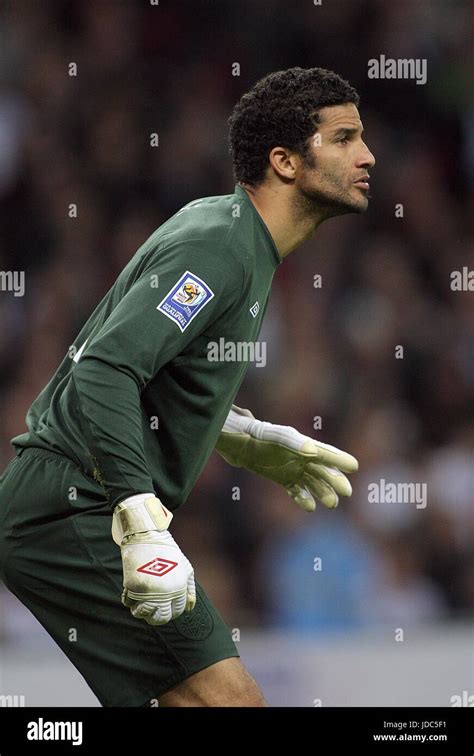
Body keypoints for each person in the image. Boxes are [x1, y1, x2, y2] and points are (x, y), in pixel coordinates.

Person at [0, 67, 375, 707]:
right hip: (74, 503)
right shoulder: (221, 246)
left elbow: (146, 371)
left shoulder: (234, 235)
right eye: (344, 138)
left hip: (71, 502)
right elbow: (104, 368)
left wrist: (239, 434)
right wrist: (141, 521)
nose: (367, 156)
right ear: (285, 162)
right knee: (227, 703)